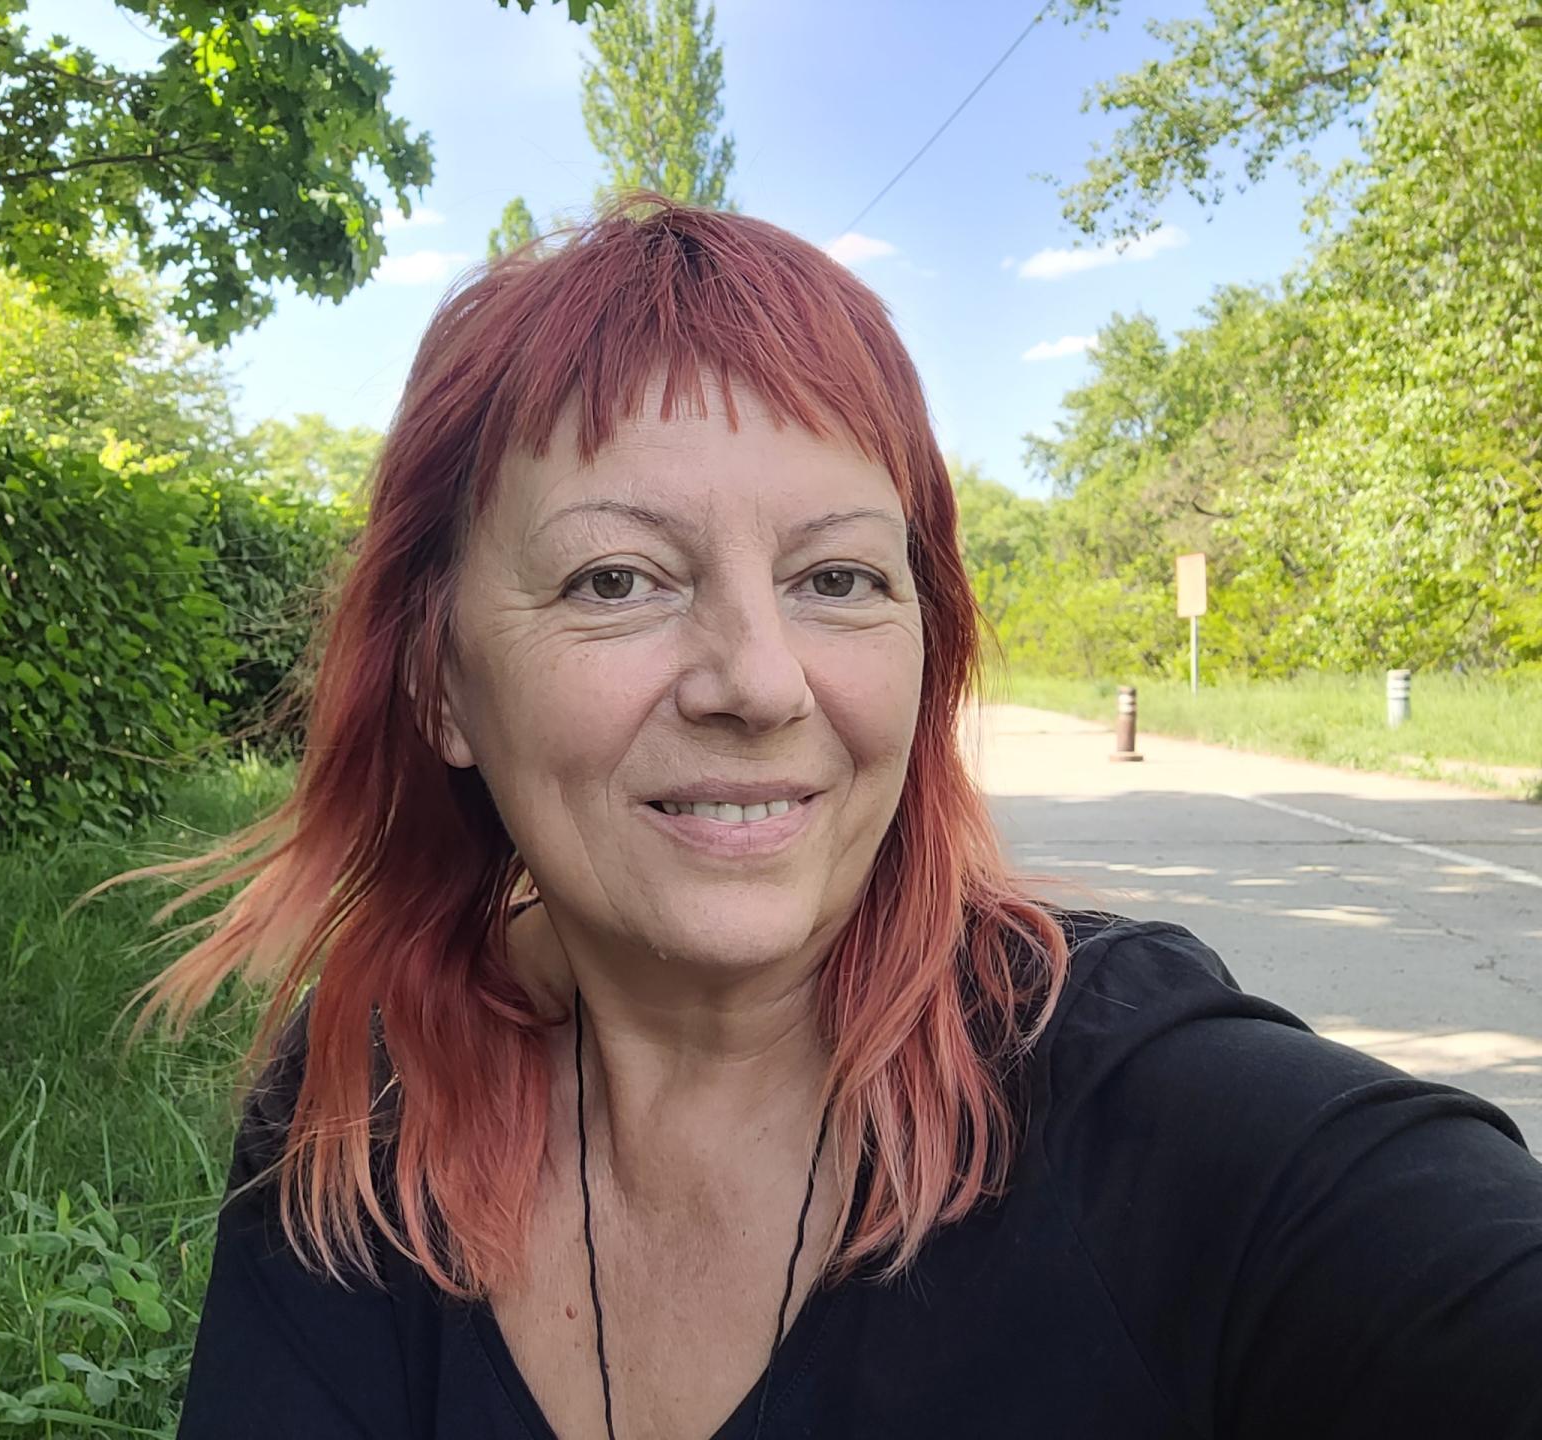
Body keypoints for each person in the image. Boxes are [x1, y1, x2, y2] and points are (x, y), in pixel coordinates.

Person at [113, 196, 1542, 1439]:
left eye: (838, 579)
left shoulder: (1157, 1119)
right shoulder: (367, 1106)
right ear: (441, 686)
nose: (758, 681)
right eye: (617, 579)